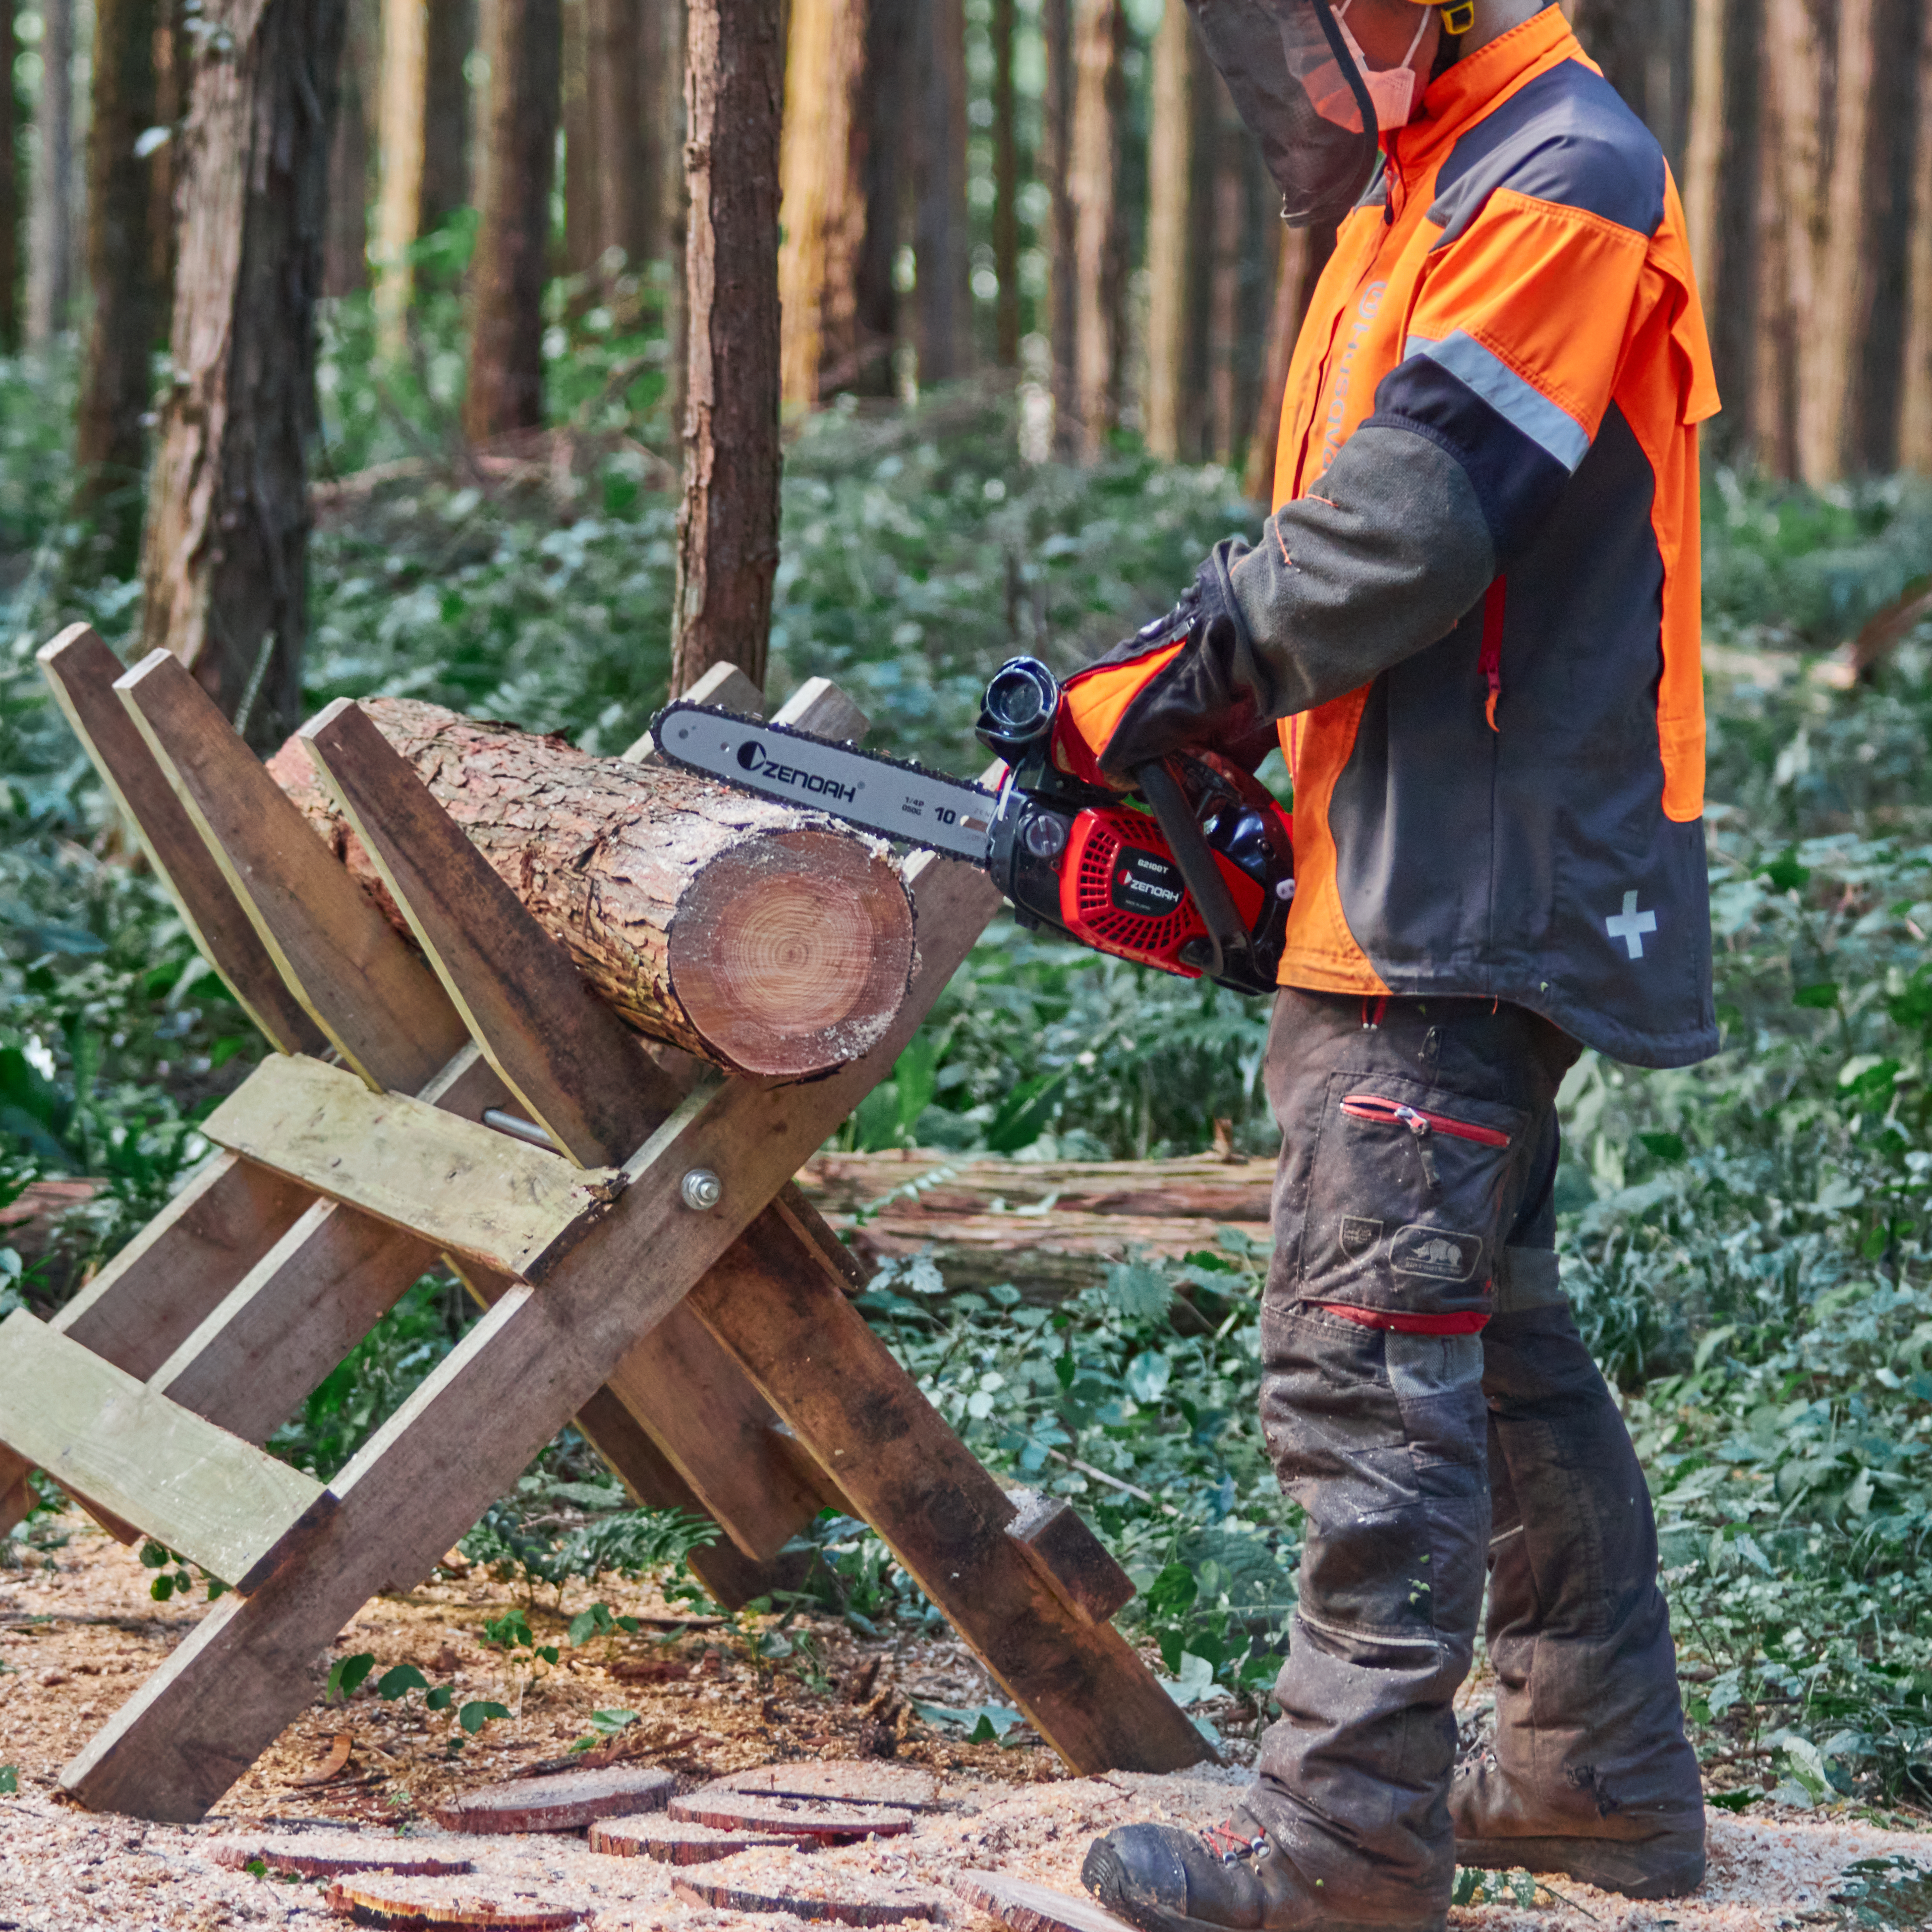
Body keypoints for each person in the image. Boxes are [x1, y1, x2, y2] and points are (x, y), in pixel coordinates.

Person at [1055, 2, 1720, 1928]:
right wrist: (1225, 710)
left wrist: (1194, 671)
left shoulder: (1560, 176)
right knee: (1487, 1340)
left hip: (1472, 873)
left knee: (1367, 1357)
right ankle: (1594, 1772)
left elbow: (1412, 523)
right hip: (1420, 853)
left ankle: (1347, 1839)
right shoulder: (1438, 180)